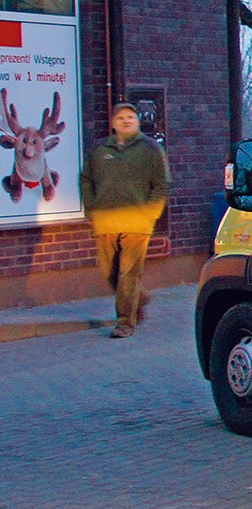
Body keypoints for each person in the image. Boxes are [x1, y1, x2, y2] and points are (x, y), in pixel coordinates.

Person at [78, 103, 170, 339]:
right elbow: (86, 178)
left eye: (131, 117)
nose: (126, 120)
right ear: (113, 123)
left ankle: (125, 322)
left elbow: (162, 184)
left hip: (137, 223)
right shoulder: (100, 150)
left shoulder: (150, 149)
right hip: (106, 221)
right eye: (121, 117)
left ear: (137, 121)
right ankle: (139, 297)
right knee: (109, 271)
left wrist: (150, 214)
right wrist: (92, 209)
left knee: (128, 273)